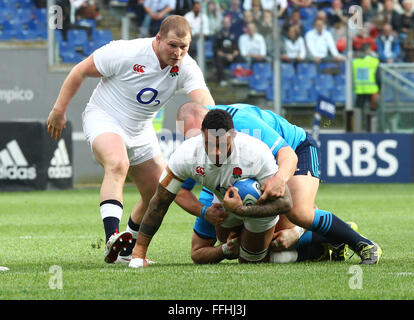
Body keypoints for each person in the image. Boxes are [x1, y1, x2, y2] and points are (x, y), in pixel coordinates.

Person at [46, 15, 215, 264]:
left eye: (184, 47)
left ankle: (126, 251)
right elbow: (79, 71)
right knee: (117, 164)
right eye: (172, 45)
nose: (178, 52)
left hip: (141, 129)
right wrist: (58, 111)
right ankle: (112, 237)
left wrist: (222, 122)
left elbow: (204, 99)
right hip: (105, 117)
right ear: (158, 39)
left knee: (159, 193)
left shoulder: (186, 66)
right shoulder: (126, 52)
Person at [172, 103, 382, 265]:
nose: (198, 146)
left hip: (294, 149)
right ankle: (325, 239)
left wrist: (280, 180)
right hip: (254, 172)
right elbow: (179, 190)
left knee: (299, 212)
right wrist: (204, 213)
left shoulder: (243, 123)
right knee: (250, 240)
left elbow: (286, 154)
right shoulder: (202, 152)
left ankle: (363, 244)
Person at [128, 109, 293, 268]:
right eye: (209, 144)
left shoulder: (256, 152)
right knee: (224, 246)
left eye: (221, 145)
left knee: (249, 262)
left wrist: (242, 210)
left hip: (259, 209)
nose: (215, 152)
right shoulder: (187, 154)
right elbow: (159, 202)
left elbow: (286, 203)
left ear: (233, 136)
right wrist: (138, 254)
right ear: (202, 136)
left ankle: (299, 234)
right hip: (225, 205)